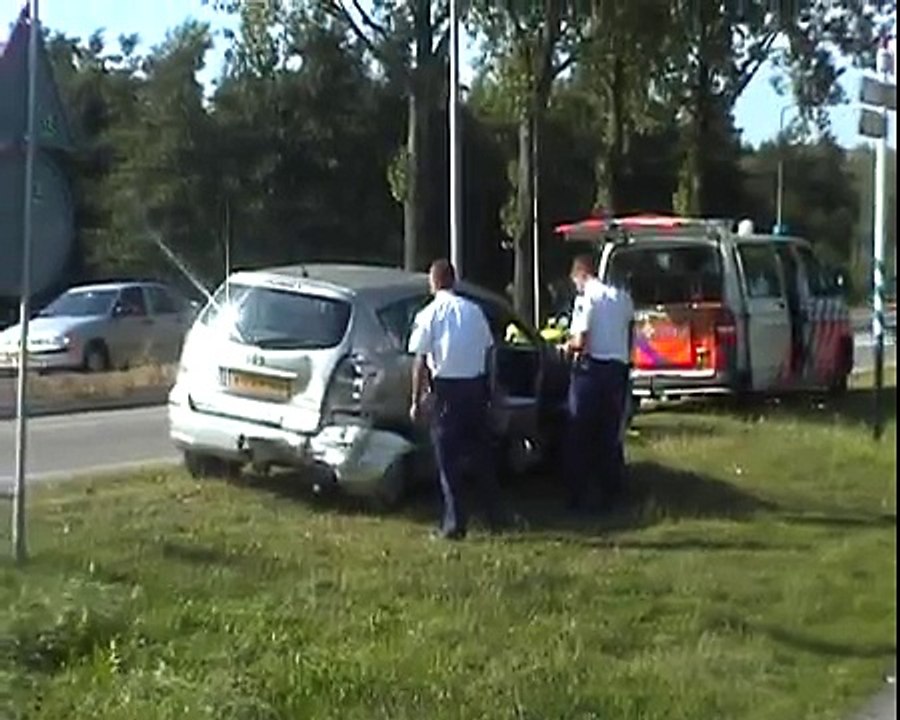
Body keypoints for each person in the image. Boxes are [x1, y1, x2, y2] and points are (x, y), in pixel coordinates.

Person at [408, 259, 506, 540]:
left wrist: (416, 400)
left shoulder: (429, 315)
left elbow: (420, 362)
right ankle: (494, 516)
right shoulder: (475, 311)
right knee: (481, 455)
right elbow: (491, 353)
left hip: (447, 391)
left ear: (434, 281)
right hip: (475, 388)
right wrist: (493, 389)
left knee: (448, 458)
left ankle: (455, 523)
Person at [564, 254, 634, 513]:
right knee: (609, 435)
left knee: (579, 434)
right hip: (617, 371)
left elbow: (580, 341)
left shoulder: (586, 299)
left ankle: (578, 497)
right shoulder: (622, 298)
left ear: (580, 275)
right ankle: (612, 494)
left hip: (590, 372)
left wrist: (566, 345)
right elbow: (630, 334)